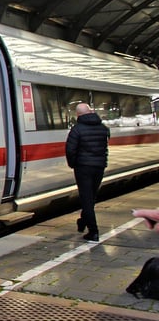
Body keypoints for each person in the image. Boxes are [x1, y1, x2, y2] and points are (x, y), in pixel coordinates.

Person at [65, 103, 110, 242]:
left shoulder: (76, 130)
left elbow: (70, 150)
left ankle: (93, 231)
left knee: (86, 199)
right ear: (91, 111)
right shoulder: (103, 128)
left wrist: (73, 164)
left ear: (77, 115)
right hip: (99, 167)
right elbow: (105, 147)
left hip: (83, 168)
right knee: (91, 197)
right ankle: (83, 221)